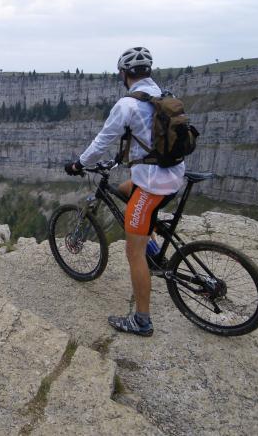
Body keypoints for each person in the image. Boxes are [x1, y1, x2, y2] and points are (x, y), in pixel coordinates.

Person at [65, 47, 185, 336]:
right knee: (122, 188)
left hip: (152, 185)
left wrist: (78, 164)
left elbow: (102, 141)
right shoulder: (161, 94)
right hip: (173, 175)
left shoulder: (127, 105)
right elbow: (147, 137)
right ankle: (152, 241)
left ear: (124, 74)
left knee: (134, 252)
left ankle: (142, 320)